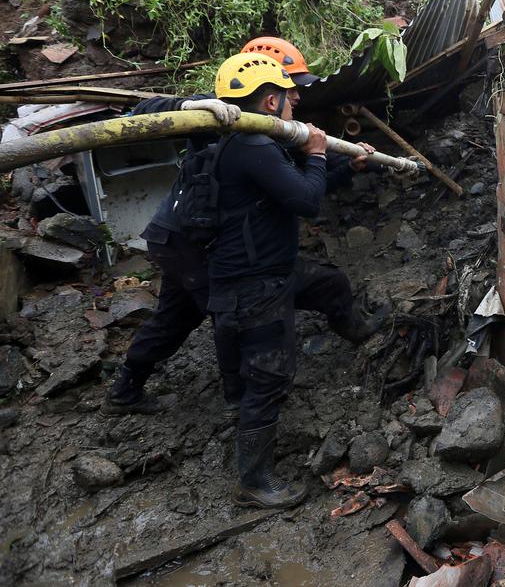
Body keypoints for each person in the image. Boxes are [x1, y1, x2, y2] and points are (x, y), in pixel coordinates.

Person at [102, 38, 383, 418]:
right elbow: (141, 111)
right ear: (263, 85)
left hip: (203, 237)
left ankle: (130, 388)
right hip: (186, 238)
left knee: (183, 313)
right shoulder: (219, 112)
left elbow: (296, 191)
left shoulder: (269, 134)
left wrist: (346, 166)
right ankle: (236, 394)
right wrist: (188, 105)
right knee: (219, 310)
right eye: (291, 83)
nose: (297, 93)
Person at [205, 52, 325, 507]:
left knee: (242, 369)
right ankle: (253, 483)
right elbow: (306, 201)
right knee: (270, 375)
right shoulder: (254, 147)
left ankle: (241, 421)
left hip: (231, 278)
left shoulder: (235, 142)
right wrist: (315, 155)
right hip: (257, 285)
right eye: (288, 97)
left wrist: (330, 163)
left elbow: (280, 186)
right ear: (271, 102)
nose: (296, 103)